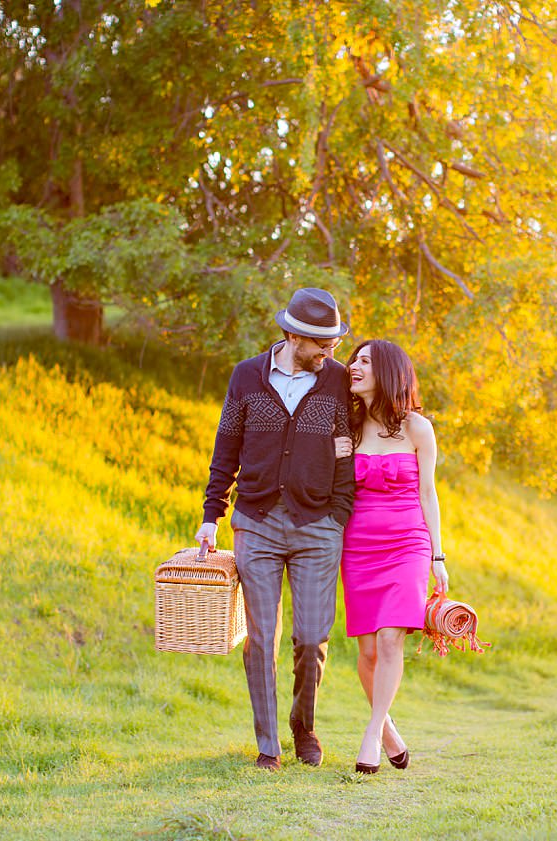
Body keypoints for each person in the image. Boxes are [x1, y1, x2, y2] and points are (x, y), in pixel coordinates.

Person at [195, 287, 355, 771]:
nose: (329, 353)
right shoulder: (247, 376)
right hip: (257, 523)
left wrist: (339, 514)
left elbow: (346, 448)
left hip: (318, 526)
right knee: (261, 639)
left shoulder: (338, 381)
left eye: (332, 344)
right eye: (320, 345)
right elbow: (226, 448)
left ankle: (303, 725)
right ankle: (269, 746)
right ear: (292, 334)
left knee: (311, 636)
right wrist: (210, 516)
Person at [339, 339, 450, 774]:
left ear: (387, 372)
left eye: (365, 361)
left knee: (390, 639)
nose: (354, 366)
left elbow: (428, 493)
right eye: (354, 360)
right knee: (367, 651)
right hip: (359, 545)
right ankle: (387, 730)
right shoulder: (348, 427)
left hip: (408, 543)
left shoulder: (418, 428)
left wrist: (438, 556)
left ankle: (369, 735)